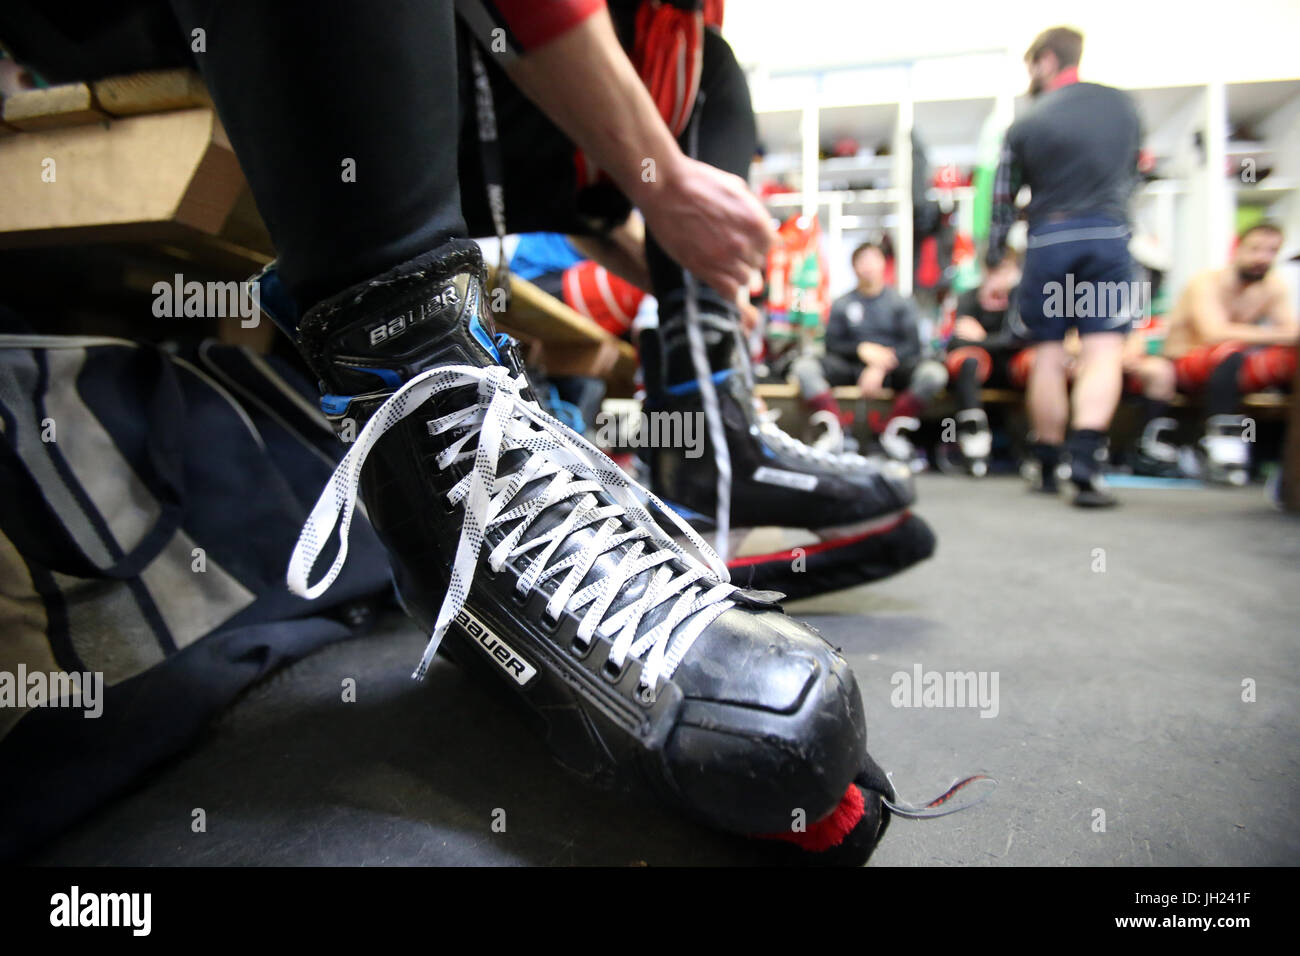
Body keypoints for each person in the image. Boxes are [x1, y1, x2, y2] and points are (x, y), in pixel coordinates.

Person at [0, 0, 900, 862]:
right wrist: (653, 173)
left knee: (715, 74)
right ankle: (442, 466)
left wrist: (650, 208)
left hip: (461, 80)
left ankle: (708, 423)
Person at [988, 26, 1143, 507]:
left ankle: (1048, 462)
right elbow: (1135, 173)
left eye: (1031, 65)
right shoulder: (1123, 108)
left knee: (1049, 353)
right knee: (1102, 350)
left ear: (1046, 60)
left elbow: (1001, 198)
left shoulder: (1027, 121)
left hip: (1049, 238)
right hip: (1108, 237)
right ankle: (1086, 463)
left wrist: (994, 259)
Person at [1162, 221, 1298, 484]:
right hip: (1185, 364)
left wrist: (1267, 337)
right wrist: (1273, 336)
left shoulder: (1273, 287)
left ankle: (1282, 456)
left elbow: (1293, 335)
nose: (1262, 258)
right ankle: (1222, 447)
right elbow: (1214, 334)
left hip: (1234, 365)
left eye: (1272, 251)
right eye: (1255, 249)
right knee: (1227, 350)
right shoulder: (1206, 282)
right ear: (1237, 248)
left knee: (1291, 359)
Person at [794, 242, 948, 466]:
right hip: (849, 367)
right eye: (861, 261)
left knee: (934, 373)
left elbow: (912, 345)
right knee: (803, 367)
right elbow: (832, 344)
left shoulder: (901, 302)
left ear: (882, 263)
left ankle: (890, 432)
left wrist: (880, 364)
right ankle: (837, 431)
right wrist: (861, 350)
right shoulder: (842, 304)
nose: (868, 266)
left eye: (872, 259)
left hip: (894, 368)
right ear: (854, 267)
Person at [941, 256, 1028, 475]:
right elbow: (955, 341)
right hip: (978, 371)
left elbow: (1019, 339)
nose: (996, 277)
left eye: (1002, 271)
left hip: (1011, 368)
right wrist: (989, 341)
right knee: (969, 361)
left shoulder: (1022, 298)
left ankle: (1035, 442)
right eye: (992, 271)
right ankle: (973, 438)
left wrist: (980, 338)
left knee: (1037, 363)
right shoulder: (969, 298)